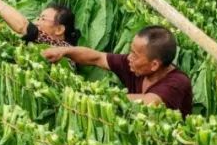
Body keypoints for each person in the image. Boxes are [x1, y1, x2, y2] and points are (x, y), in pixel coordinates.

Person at [42, 25, 193, 117]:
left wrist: (92, 95)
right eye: (130, 51)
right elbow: (97, 58)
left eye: (135, 54)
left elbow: (150, 102)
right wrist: (64, 51)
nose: (129, 58)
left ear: (154, 65)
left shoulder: (177, 82)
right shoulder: (135, 65)